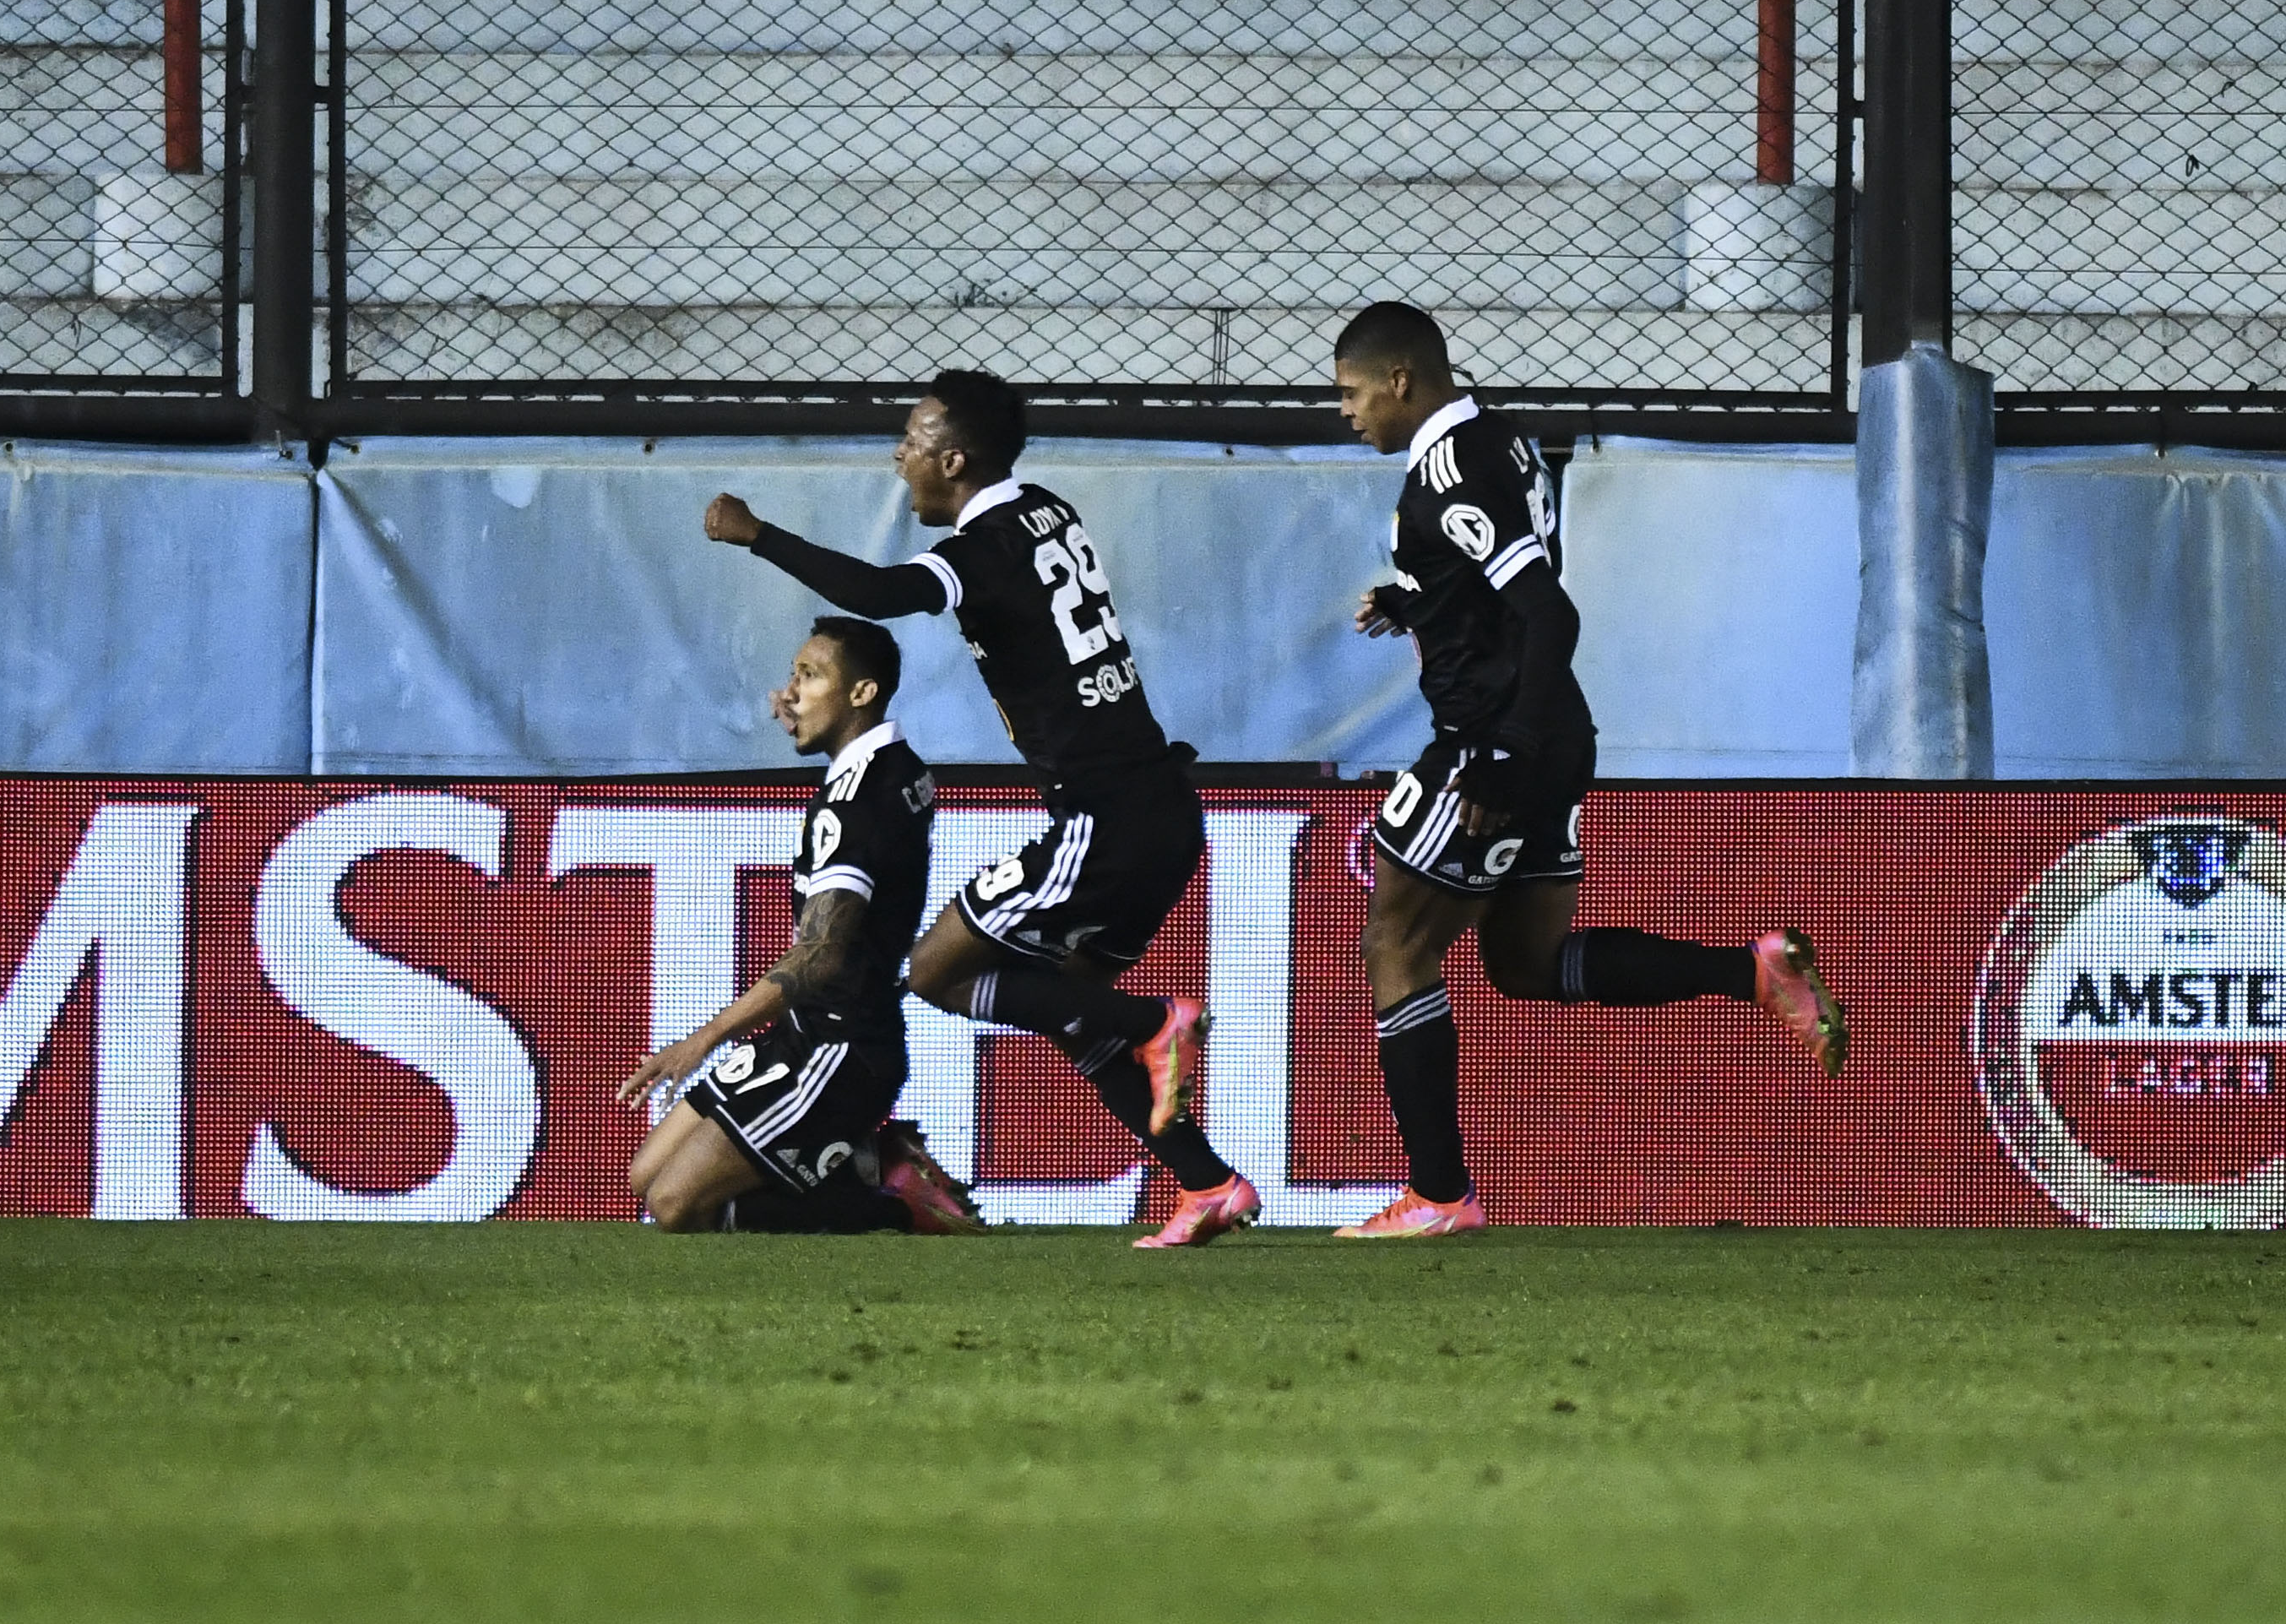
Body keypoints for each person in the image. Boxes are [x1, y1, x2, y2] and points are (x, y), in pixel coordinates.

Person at [703, 369, 1260, 1248]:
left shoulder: (986, 545)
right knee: (1071, 1009)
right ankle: (1207, 1182)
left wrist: (757, 535)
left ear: (953, 459)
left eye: (912, 440)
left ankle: (1157, 1022)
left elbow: (884, 595)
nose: (899, 455)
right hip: (1157, 806)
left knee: (934, 972)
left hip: (1105, 820)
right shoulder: (1046, 510)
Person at [1328, 302, 1848, 1238]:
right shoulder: (1507, 445)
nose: (1345, 411)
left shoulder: (1445, 473)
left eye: (1351, 392)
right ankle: (1752, 972)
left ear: (1400, 379)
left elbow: (1547, 613)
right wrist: (1416, 603)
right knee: (1523, 964)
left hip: (1494, 742)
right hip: (1556, 736)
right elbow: (1490, 590)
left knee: (1394, 947)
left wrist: (1504, 752)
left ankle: (1439, 1195)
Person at [620, 618, 983, 1235]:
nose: (789, 692)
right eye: (792, 674)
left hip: (840, 1051)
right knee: (643, 1180)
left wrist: (700, 1040)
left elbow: (817, 957)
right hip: (802, 1035)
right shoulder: (896, 765)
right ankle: (868, 1159)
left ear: (862, 693)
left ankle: (894, 1200)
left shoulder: (855, 802)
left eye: (810, 676)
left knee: (675, 1207)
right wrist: (819, 725)